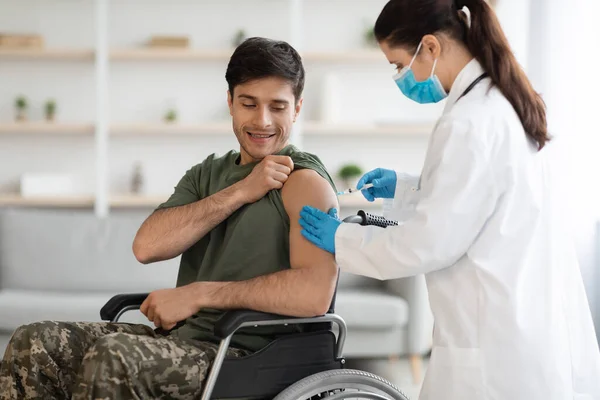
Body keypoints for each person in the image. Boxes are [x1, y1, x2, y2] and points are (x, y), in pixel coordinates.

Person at [0, 37, 339, 399]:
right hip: (186, 342)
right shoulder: (206, 175)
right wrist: (241, 191)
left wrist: (199, 294)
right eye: (248, 103)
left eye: (278, 106)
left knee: (114, 355)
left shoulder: (304, 183)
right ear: (229, 103)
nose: (262, 120)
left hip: (250, 354)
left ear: (297, 108)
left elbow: (314, 293)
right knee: (32, 342)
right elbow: (147, 247)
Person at [299, 0, 600, 399]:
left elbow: (429, 243)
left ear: (430, 47)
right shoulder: (499, 103)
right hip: (522, 330)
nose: (399, 77)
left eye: (397, 64)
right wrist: (406, 188)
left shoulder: (469, 122)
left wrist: (342, 240)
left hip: (495, 349)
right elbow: (477, 202)